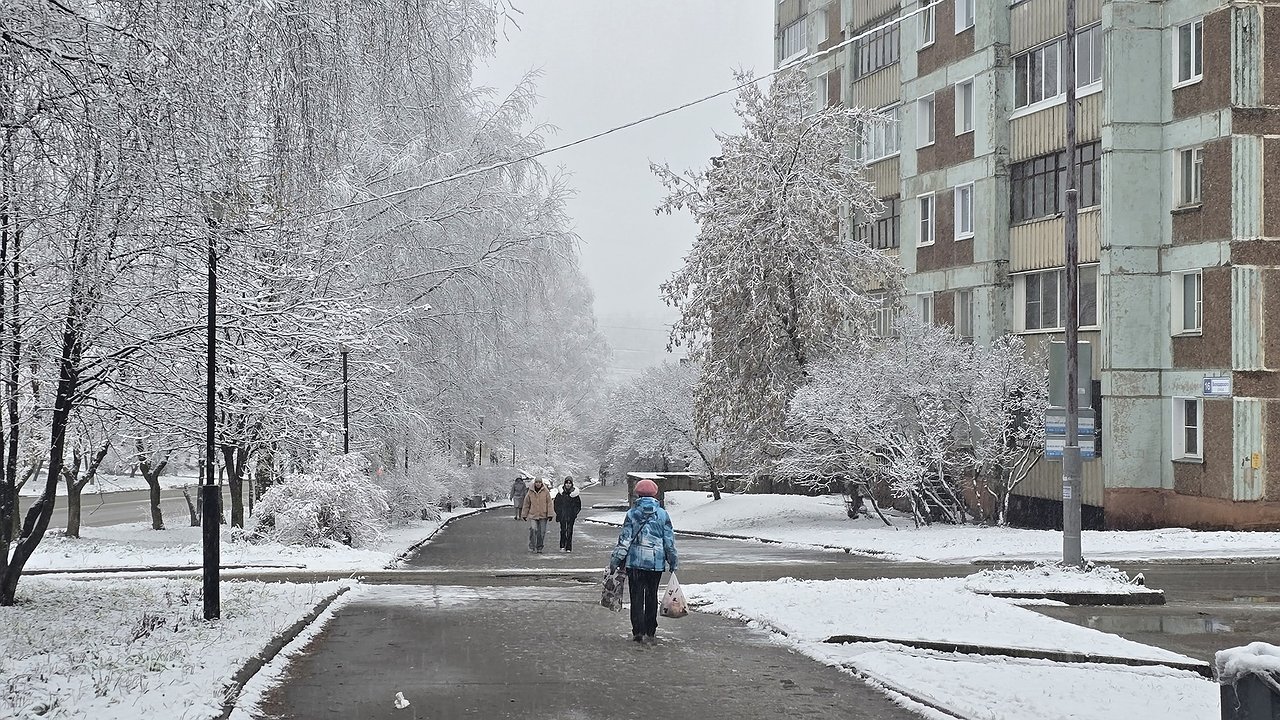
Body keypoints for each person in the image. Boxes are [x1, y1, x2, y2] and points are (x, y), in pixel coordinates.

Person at [608, 479, 677, 645]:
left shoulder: (632, 514)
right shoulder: (662, 514)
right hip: (656, 563)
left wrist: (616, 560)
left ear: (637, 494)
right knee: (652, 596)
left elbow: (625, 540)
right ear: (655, 494)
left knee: (636, 596)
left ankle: (637, 631)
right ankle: (650, 631)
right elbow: (669, 541)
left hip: (635, 563)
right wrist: (672, 561)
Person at [520, 477, 554, 553]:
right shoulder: (530, 492)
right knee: (533, 529)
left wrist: (550, 514)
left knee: (541, 532)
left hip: (543, 515)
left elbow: (549, 503)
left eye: (539, 482)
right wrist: (524, 514)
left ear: (542, 483)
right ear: (534, 483)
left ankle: (539, 547)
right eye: (536, 482)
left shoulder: (546, 492)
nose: (538, 484)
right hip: (533, 515)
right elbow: (526, 504)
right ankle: (531, 545)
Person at [554, 476, 582, 552]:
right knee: (563, 530)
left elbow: (578, 505)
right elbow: (556, 504)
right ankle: (562, 545)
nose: (568, 485)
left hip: (571, 515)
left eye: (569, 483)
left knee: (569, 531)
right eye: (567, 483)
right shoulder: (560, 494)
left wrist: (574, 513)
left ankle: (568, 547)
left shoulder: (574, 494)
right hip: (562, 514)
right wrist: (558, 512)